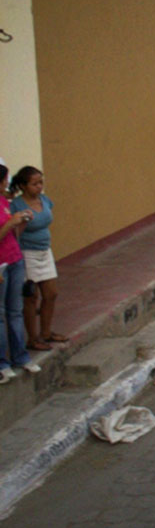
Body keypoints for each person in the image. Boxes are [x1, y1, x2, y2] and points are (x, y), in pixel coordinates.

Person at [10, 167, 64, 351]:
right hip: (27, 252)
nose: (39, 187)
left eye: (41, 182)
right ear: (24, 186)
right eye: (34, 184)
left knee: (51, 293)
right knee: (31, 297)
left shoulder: (44, 200)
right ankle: (32, 338)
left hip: (44, 251)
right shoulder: (16, 205)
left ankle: (46, 332)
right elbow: (13, 231)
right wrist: (23, 222)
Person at [0, 160, 38, 382]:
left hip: (14, 259)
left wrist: (20, 221)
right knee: (2, 315)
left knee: (15, 311)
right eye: (4, 180)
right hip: (2, 265)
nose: (6, 183)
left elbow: (12, 233)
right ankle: (3, 362)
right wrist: (10, 222)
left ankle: (20, 357)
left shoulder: (4, 202)